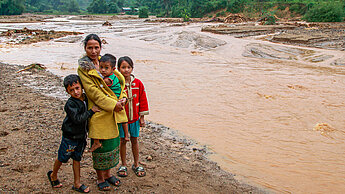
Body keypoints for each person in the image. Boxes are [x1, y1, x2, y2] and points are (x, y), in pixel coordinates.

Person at [77, 34, 126, 191]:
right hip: (99, 110)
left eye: (96, 47)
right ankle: (100, 178)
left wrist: (123, 98)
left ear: (101, 47)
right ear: (85, 48)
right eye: (90, 47)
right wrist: (113, 105)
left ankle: (108, 174)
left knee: (112, 144)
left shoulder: (106, 62)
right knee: (100, 146)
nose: (93, 51)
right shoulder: (84, 68)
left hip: (114, 111)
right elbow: (93, 92)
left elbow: (121, 82)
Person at [47, 74, 100, 193]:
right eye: (72, 90)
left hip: (81, 136)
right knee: (62, 157)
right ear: (67, 91)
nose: (76, 92)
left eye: (77, 88)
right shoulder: (70, 104)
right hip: (70, 137)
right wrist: (91, 112)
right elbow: (77, 119)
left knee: (77, 159)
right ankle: (53, 175)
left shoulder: (86, 98)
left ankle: (77, 183)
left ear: (82, 87)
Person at [89, 53, 129, 152]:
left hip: (112, 100)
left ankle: (96, 142)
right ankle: (126, 135)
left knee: (95, 119)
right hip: (116, 100)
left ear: (113, 69)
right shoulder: (115, 76)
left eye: (106, 68)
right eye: (101, 67)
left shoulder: (107, 80)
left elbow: (99, 88)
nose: (102, 70)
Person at [116, 56, 149, 177]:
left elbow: (143, 100)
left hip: (134, 119)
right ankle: (123, 164)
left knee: (135, 140)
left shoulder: (138, 83)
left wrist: (142, 117)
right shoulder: (117, 84)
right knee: (123, 141)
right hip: (122, 120)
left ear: (132, 68)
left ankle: (136, 163)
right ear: (118, 69)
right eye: (123, 67)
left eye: (128, 67)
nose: (126, 70)